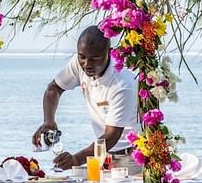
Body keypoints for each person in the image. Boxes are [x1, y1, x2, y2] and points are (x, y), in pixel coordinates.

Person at [32, 25, 140, 174]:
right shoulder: (79, 62)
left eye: (94, 58)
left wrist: (76, 160)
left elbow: (111, 136)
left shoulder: (122, 84)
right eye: (82, 57)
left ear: (108, 53)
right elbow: (53, 88)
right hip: (104, 155)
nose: (87, 64)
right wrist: (48, 121)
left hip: (131, 158)